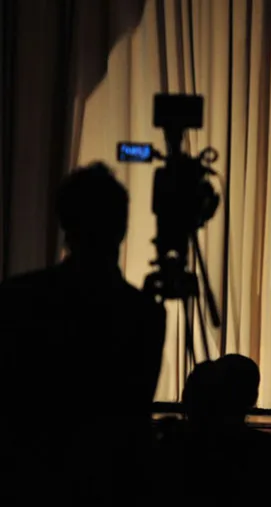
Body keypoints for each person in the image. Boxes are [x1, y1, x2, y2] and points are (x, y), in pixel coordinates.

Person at [0, 162, 166, 501]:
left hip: (29, 481)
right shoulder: (143, 314)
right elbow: (131, 414)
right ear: (122, 228)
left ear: (65, 224)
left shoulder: (16, 297)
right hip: (111, 484)